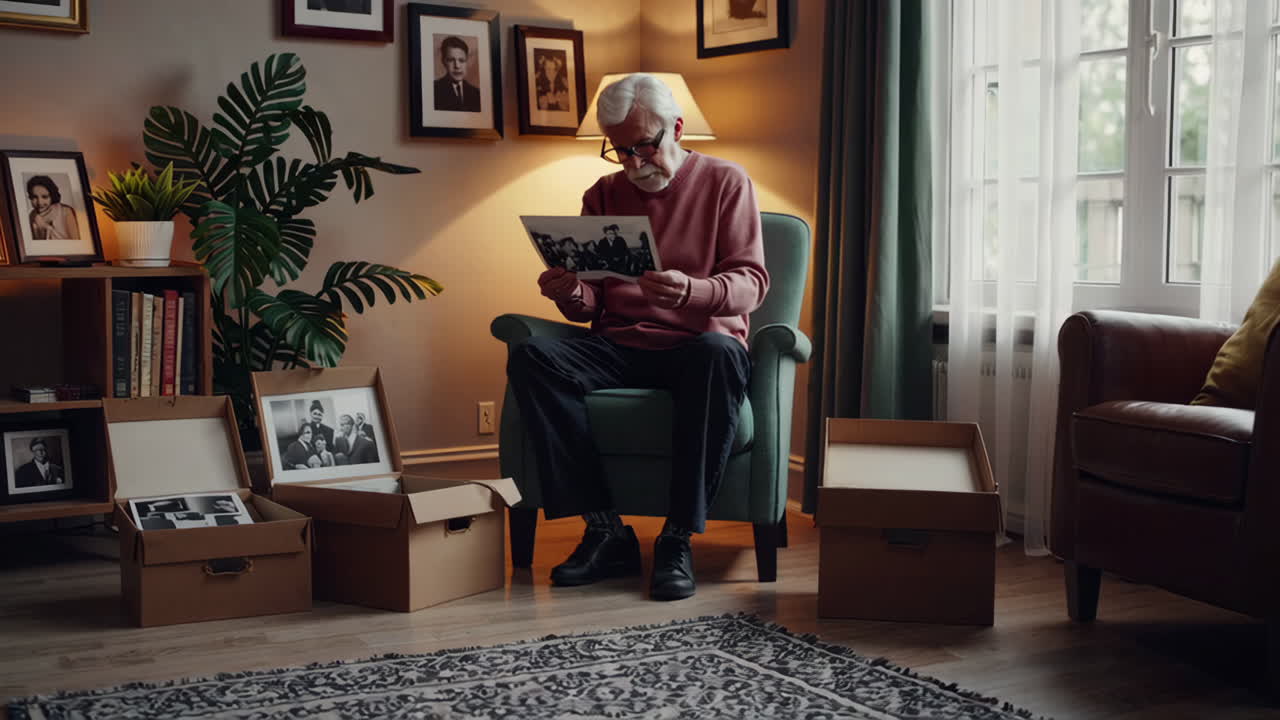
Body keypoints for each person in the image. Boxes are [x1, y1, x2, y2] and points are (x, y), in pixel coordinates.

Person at [505, 73, 768, 602]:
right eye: (620, 151)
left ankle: (677, 537)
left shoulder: (727, 182)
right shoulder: (603, 194)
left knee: (718, 353)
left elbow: (752, 284)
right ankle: (605, 529)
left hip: (699, 347)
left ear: (677, 127)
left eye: (644, 147)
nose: (633, 163)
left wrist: (693, 291)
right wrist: (569, 292)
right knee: (533, 355)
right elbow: (595, 303)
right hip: (621, 344)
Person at [433, 36, 482, 112]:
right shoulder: (434, 90)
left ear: (467, 62)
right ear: (443, 61)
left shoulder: (476, 93)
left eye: (461, 60)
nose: (457, 66)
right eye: (451, 60)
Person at [26, 176, 80, 241]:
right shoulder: (32, 215)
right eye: (34, 197)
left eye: (45, 197)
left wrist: (46, 227)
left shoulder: (66, 212)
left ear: (52, 196)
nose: (39, 202)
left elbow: (76, 243)